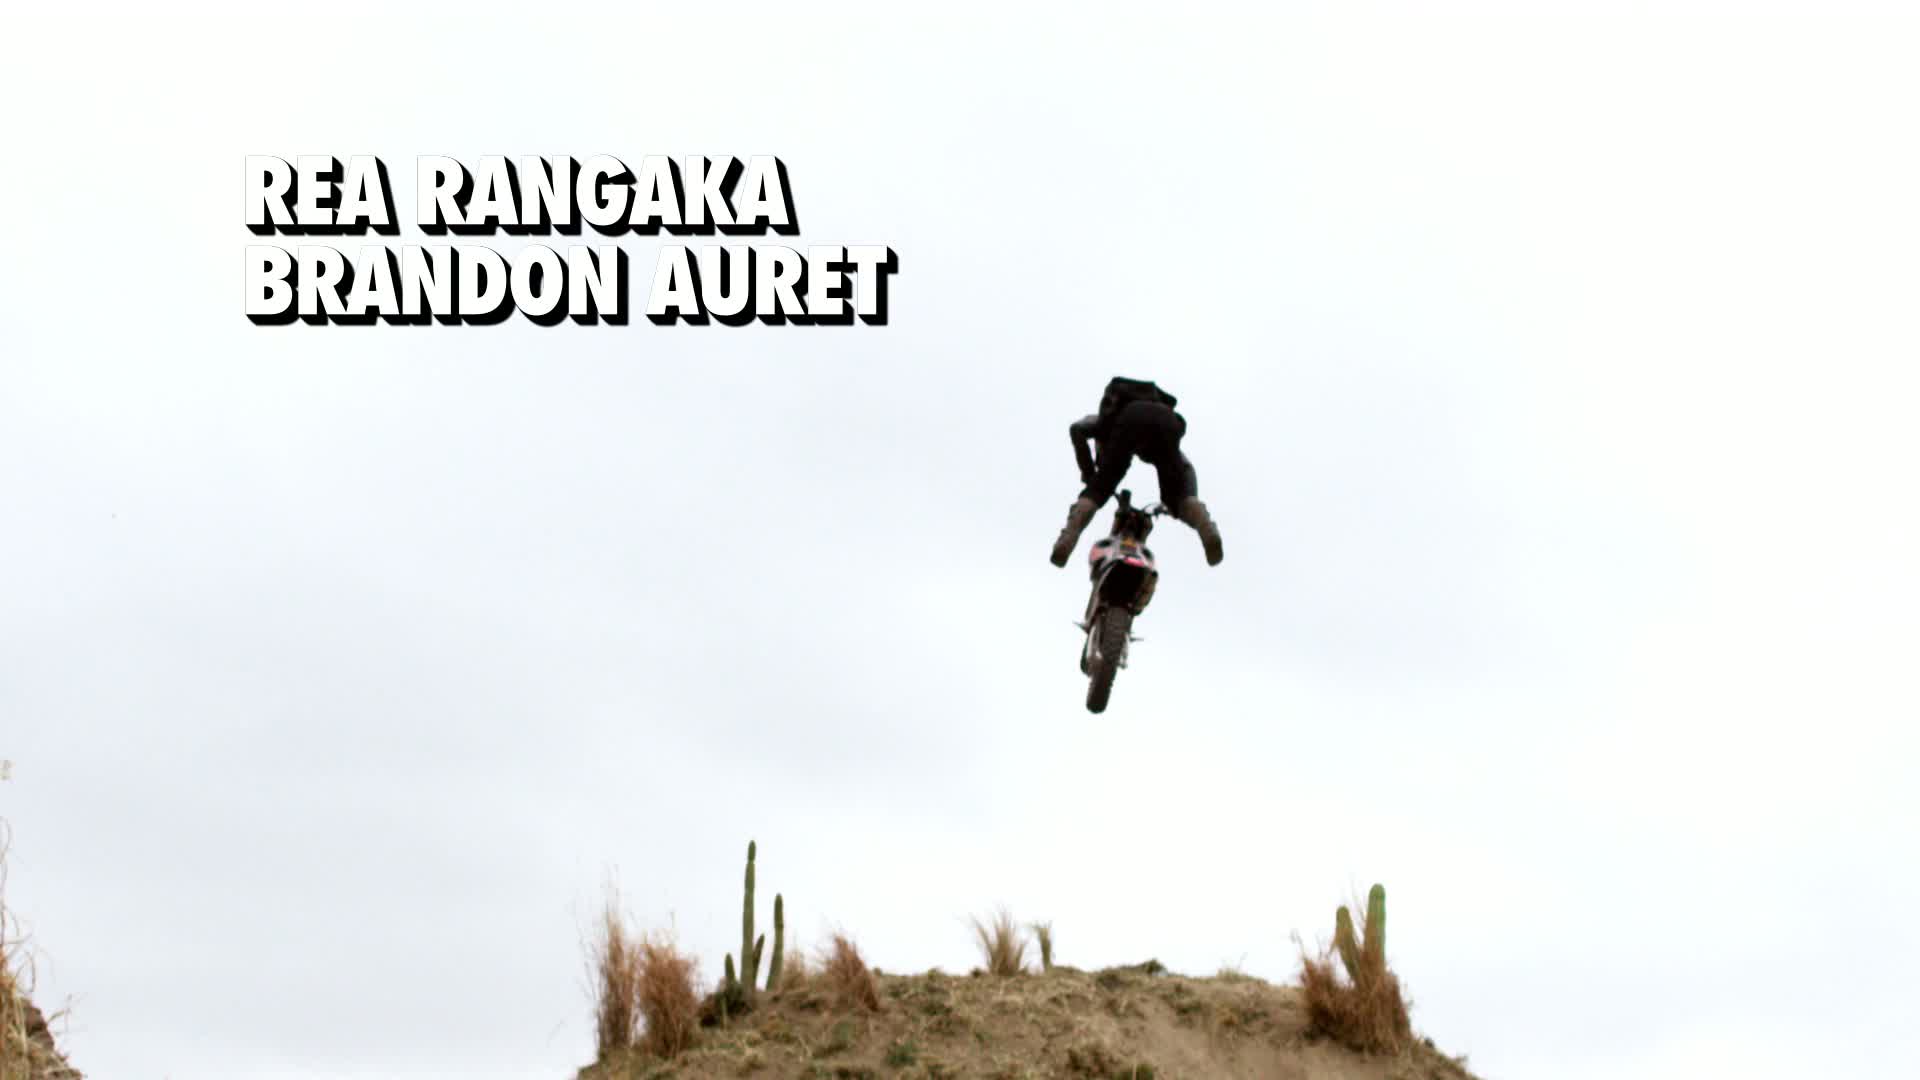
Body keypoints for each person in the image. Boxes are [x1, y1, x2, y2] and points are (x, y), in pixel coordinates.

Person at [1050, 377, 1224, 567]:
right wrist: (1185, 499)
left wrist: (1089, 473)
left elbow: (1077, 429)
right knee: (1176, 497)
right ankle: (1208, 531)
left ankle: (1067, 540)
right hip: (1169, 421)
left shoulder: (1108, 422)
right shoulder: (1152, 437)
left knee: (1098, 490)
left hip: (1131, 418)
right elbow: (1186, 467)